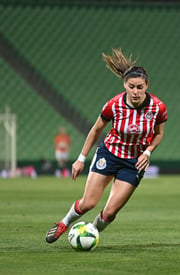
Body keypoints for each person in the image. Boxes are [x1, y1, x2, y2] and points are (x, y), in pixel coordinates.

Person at [45, 48, 167, 243]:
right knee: (88, 204)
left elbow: (159, 134)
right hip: (109, 155)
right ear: (124, 85)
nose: (135, 92)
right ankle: (63, 223)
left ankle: (89, 234)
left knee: (110, 213)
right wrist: (80, 159)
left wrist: (148, 152)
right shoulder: (114, 104)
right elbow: (95, 130)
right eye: (131, 86)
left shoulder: (158, 107)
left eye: (139, 87)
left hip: (134, 163)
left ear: (147, 85)